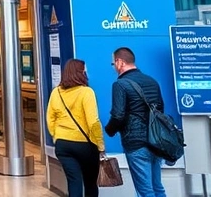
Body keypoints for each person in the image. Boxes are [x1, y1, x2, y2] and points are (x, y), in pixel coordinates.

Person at [105, 47, 166, 197]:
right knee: (157, 187)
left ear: (119, 62)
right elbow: (161, 109)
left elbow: (118, 115)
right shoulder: (152, 81)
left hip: (136, 143)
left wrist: (109, 130)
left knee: (145, 191)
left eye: (113, 64)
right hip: (156, 142)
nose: (114, 68)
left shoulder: (120, 84)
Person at [47, 59, 105, 197]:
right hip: (85, 145)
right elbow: (93, 122)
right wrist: (100, 145)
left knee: (74, 182)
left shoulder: (56, 92)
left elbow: (50, 119)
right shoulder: (86, 92)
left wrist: (56, 136)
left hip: (63, 144)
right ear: (81, 72)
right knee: (90, 182)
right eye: (85, 70)